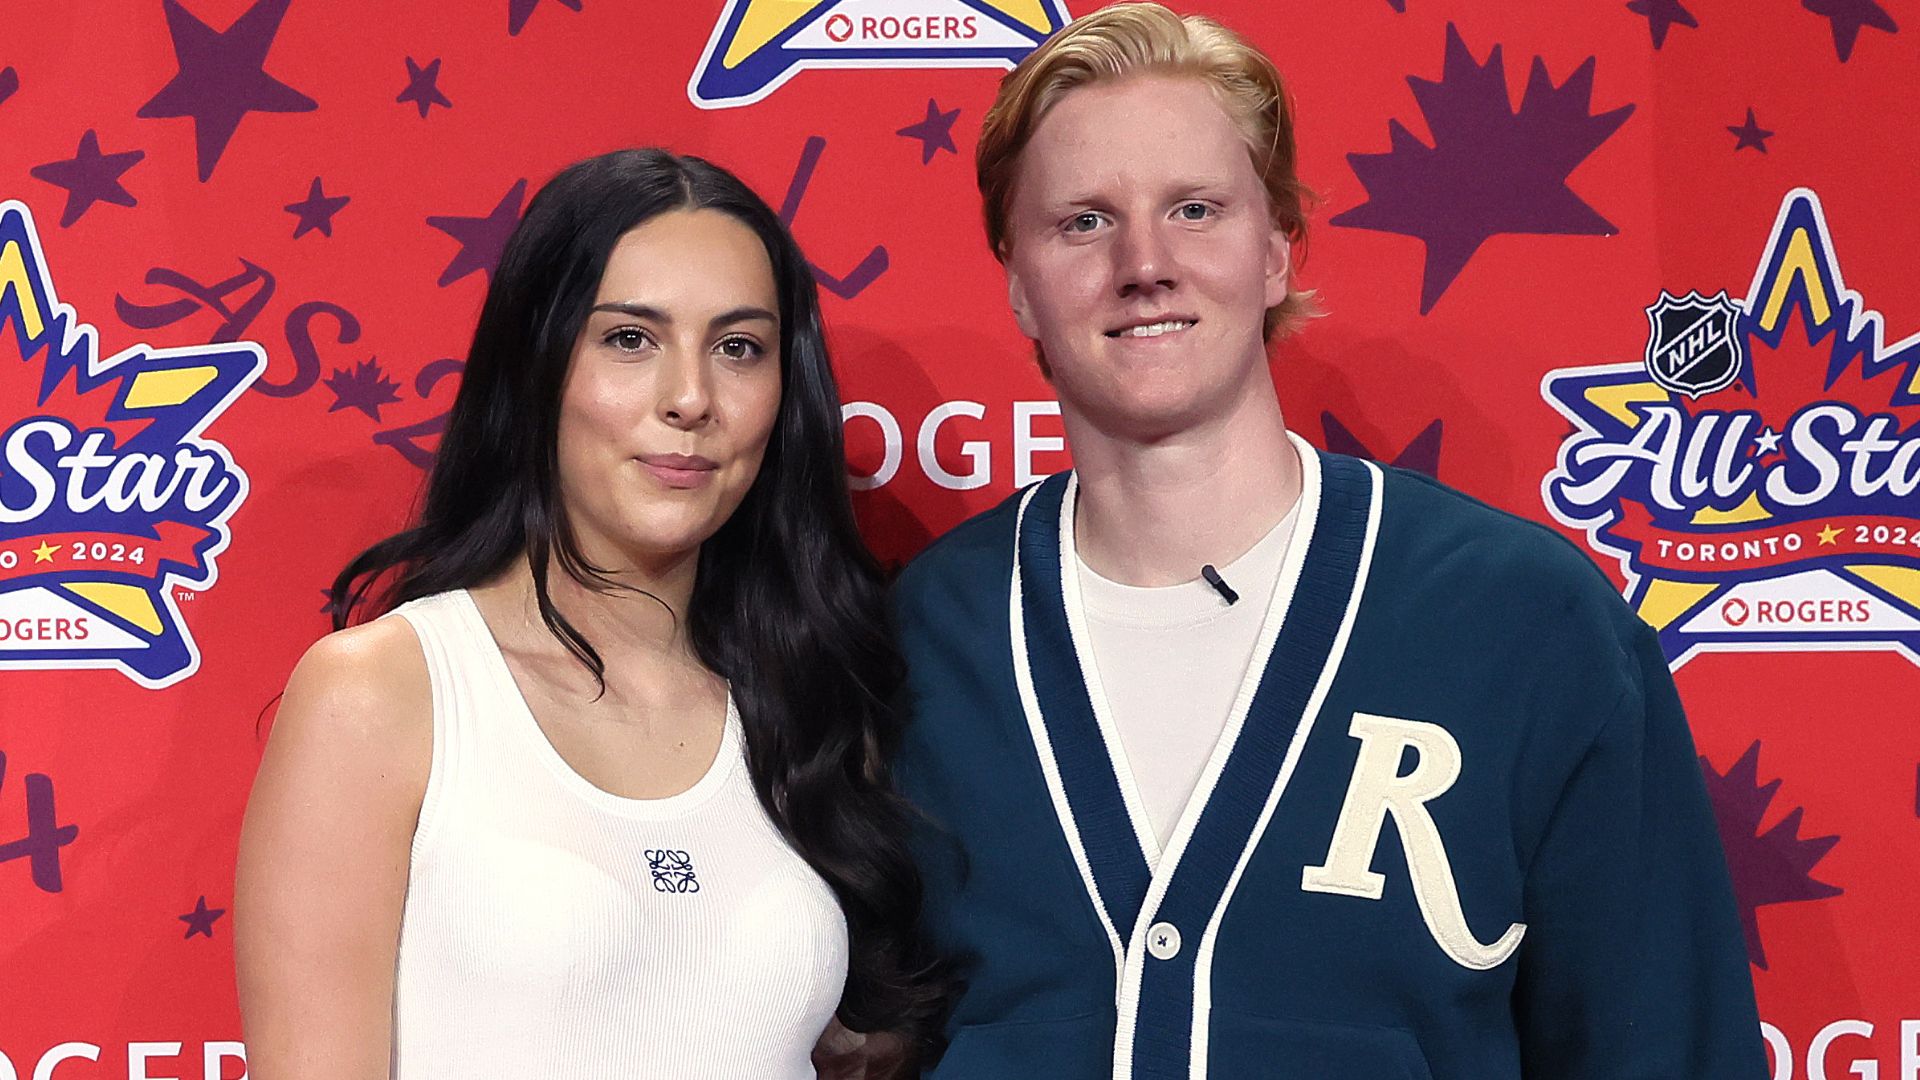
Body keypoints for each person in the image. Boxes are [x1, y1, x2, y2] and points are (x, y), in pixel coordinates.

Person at [890, 5, 1767, 1078]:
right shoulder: (917, 640)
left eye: (1196, 209)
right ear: (1018, 280)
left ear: (1275, 250)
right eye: (1083, 222)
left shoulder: (1524, 622)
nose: (1145, 262)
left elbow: (1669, 1048)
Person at [235, 149, 949, 1080]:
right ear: (536, 364)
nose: (690, 399)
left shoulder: (805, 703)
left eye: (739, 348)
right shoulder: (386, 691)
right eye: (630, 339)